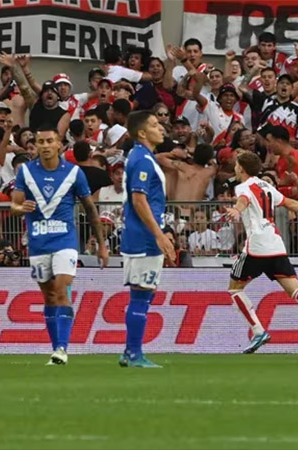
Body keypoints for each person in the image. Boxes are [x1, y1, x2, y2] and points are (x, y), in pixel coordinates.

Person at [10, 125, 109, 366]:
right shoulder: (26, 171)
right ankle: (56, 348)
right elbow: (14, 205)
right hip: (38, 242)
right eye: (40, 141)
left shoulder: (74, 173)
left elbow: (90, 209)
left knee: (62, 288)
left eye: (49, 141)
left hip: (65, 241)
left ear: (59, 145)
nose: (44, 145)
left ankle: (63, 348)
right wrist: (20, 209)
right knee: (49, 296)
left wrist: (102, 244)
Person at [225, 151, 298, 354]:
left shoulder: (243, 186)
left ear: (241, 168)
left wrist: (237, 210)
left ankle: (258, 331)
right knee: (295, 289)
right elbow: (289, 203)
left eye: (236, 165)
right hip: (276, 245)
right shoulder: (267, 186)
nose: (234, 168)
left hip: (257, 247)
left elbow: (243, 200)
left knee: (234, 289)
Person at [119, 111, 176, 368]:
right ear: (142, 133)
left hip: (140, 234)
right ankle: (133, 353)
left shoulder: (140, 156)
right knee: (141, 295)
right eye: (154, 125)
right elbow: (138, 199)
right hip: (143, 237)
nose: (161, 128)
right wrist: (158, 234)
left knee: (144, 293)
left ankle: (130, 351)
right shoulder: (142, 159)